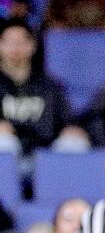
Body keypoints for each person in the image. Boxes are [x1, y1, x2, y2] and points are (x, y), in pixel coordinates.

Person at [0, 20, 84, 154]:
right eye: (9, 42)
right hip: (8, 151)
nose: (15, 47)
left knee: (74, 142)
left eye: (21, 41)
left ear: (32, 46)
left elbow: (68, 121)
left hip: (45, 151)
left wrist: (71, 130)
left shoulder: (50, 86)